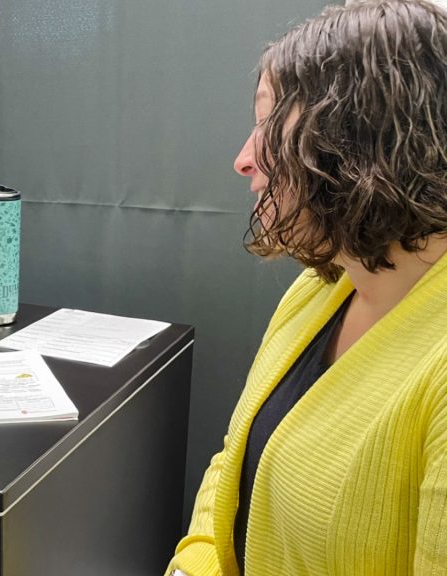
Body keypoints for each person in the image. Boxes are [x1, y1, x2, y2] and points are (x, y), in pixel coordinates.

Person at [168, 1, 447, 574]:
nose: (244, 159)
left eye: (269, 123)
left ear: (362, 137)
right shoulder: (321, 287)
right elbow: (235, 462)